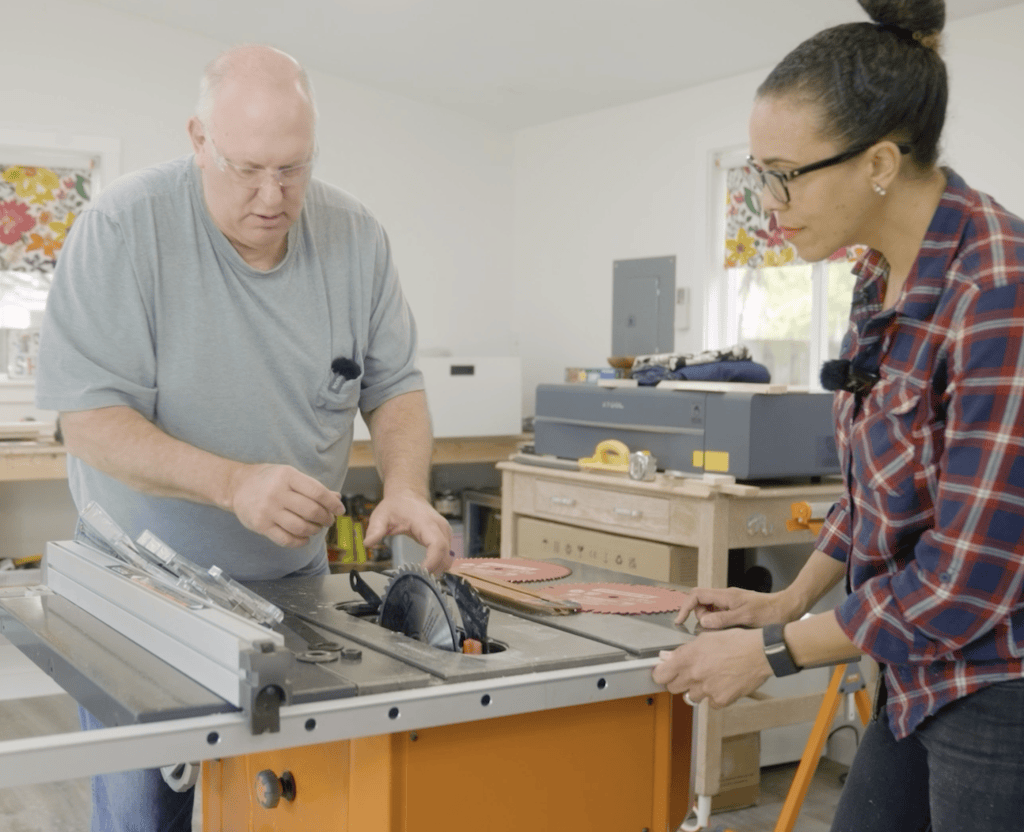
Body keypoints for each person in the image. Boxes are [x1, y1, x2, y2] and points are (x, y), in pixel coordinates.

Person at [35, 44, 453, 832]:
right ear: (199, 139)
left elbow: (393, 386)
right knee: (144, 818)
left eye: (293, 169)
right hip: (139, 599)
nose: (273, 195)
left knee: (285, 813)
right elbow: (89, 421)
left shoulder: (356, 237)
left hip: (288, 599)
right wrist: (233, 484)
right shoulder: (122, 227)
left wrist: (405, 488)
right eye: (248, 168)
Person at [652, 2, 1024, 830]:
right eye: (758, 173)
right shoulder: (877, 276)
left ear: (881, 162)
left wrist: (772, 653)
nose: (767, 204)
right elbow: (871, 492)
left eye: (785, 173)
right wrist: (788, 601)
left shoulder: (999, 288)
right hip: (914, 665)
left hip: (999, 685)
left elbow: (966, 583)